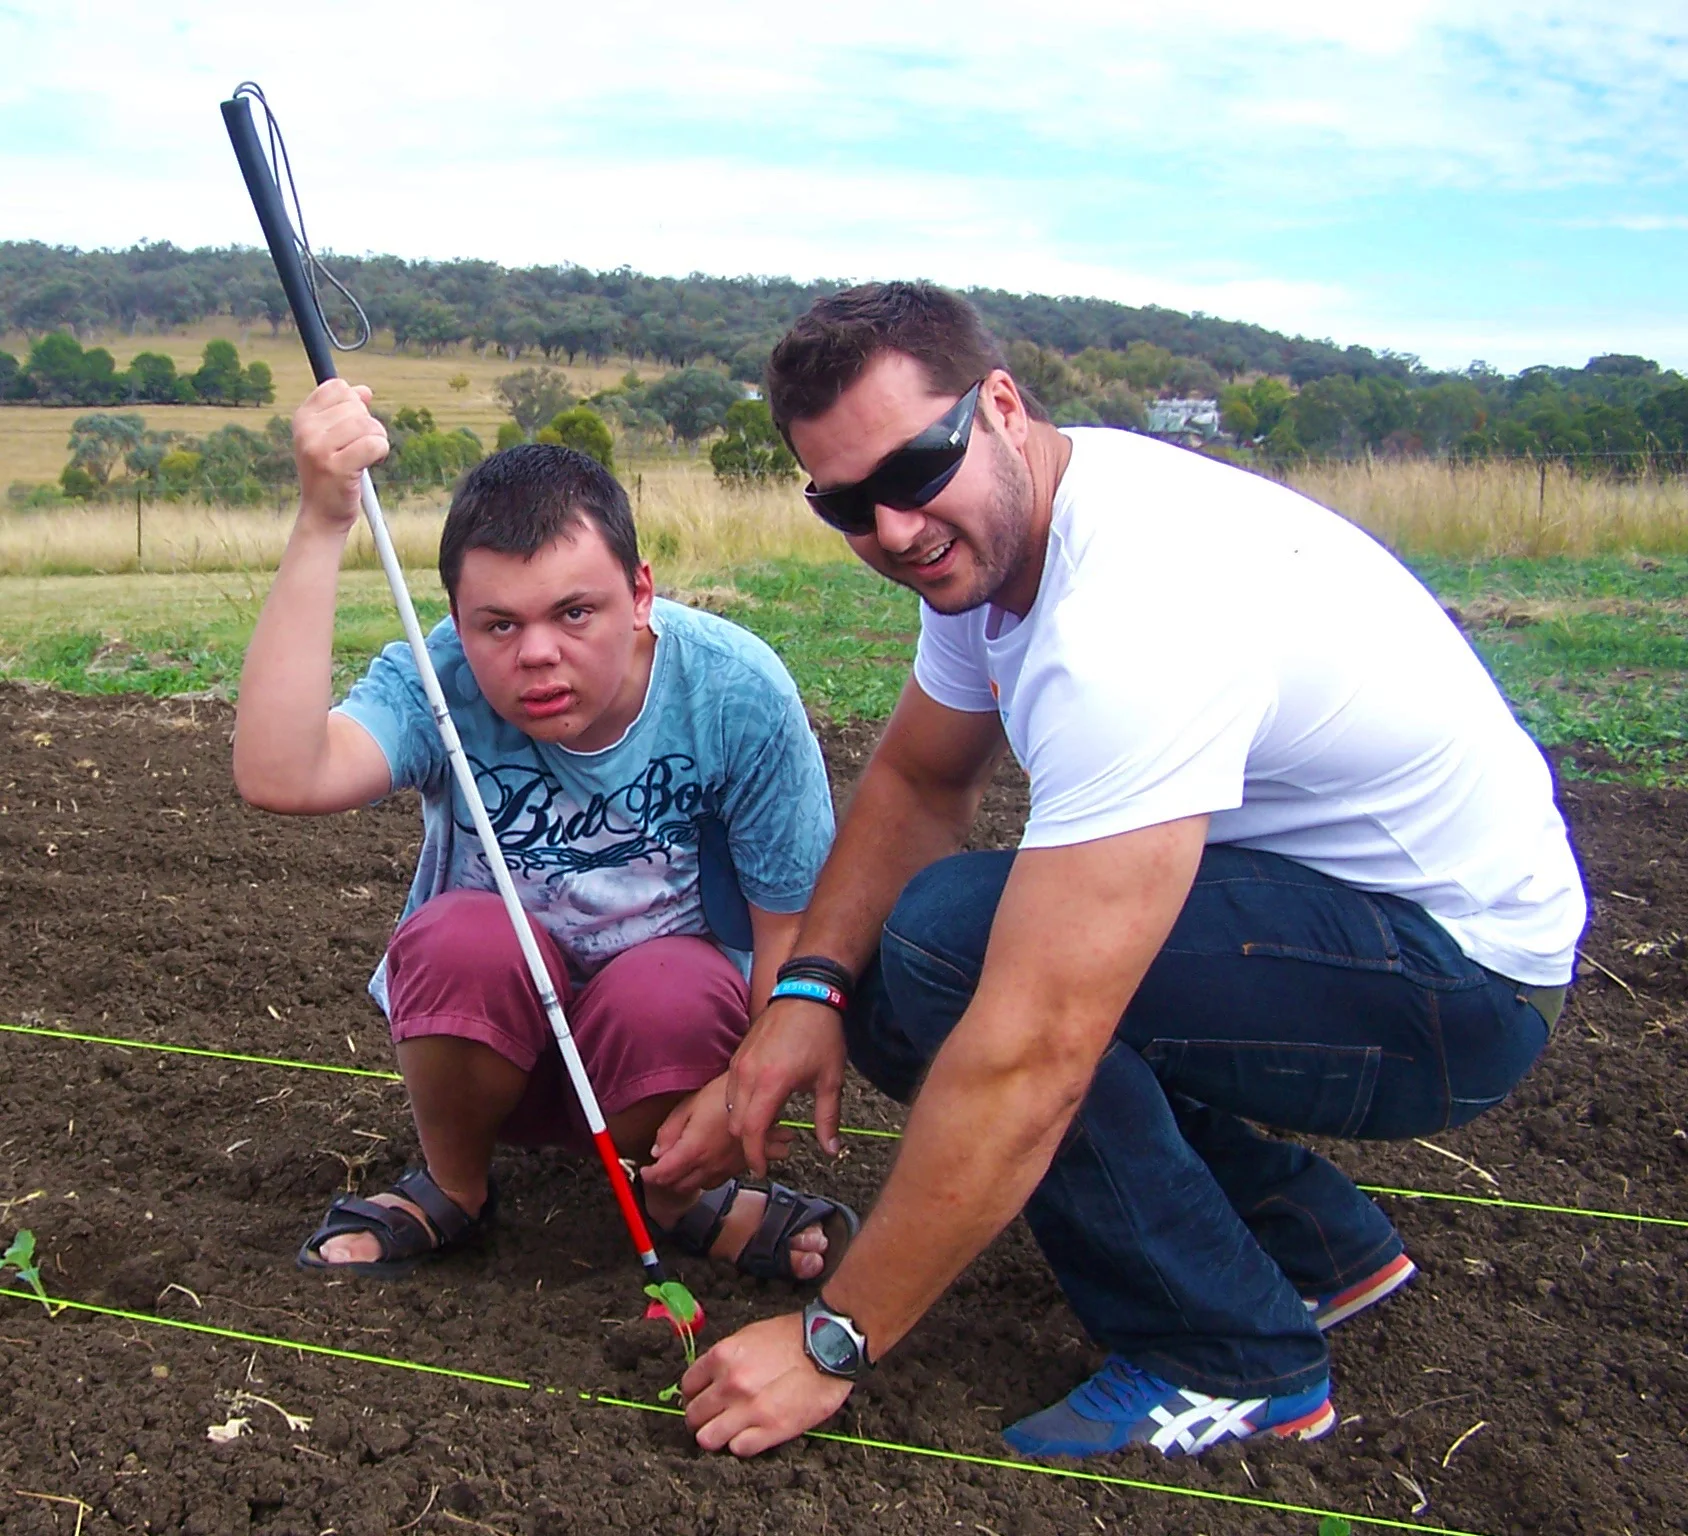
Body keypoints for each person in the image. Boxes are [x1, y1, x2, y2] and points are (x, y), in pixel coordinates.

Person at [679, 283, 1586, 1460]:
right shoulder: (1005, 531)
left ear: (999, 407)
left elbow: (1035, 1049)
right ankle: (1311, 1243)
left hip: (1457, 985)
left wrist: (829, 1339)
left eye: (910, 470)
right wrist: (806, 996)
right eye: (843, 501)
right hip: (1340, 920)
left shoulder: (1130, 613)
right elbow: (916, 782)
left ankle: (1227, 1357)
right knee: (904, 970)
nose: (890, 530)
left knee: (952, 952)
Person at [233, 380, 856, 1283]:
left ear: (640, 594)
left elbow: (789, 929)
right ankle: (454, 1184)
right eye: (499, 624)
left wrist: (738, 1103)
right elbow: (280, 773)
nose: (536, 656)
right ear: (456, 622)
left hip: (667, 1059)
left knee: (671, 986)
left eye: (575, 613)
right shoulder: (439, 679)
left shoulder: (734, 691)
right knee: (457, 937)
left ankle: (678, 1194)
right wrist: (323, 522)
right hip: (494, 1062)